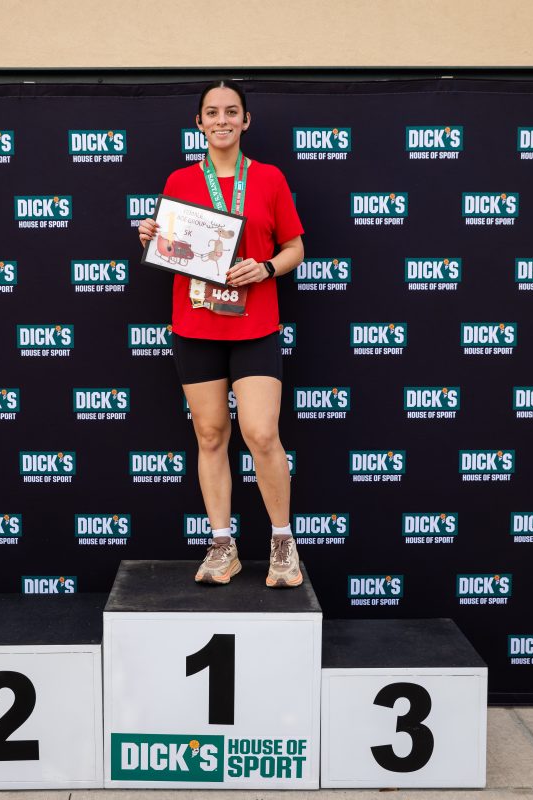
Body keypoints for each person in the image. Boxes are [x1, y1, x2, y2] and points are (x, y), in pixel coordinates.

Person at [138, 80, 305, 588]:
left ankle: (282, 541)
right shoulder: (180, 180)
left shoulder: (269, 178)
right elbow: (174, 248)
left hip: (254, 324)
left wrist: (267, 268)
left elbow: (295, 248)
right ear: (199, 123)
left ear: (246, 121)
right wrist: (152, 237)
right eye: (212, 113)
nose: (222, 120)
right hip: (196, 325)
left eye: (232, 112)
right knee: (210, 435)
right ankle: (221, 545)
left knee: (261, 433)